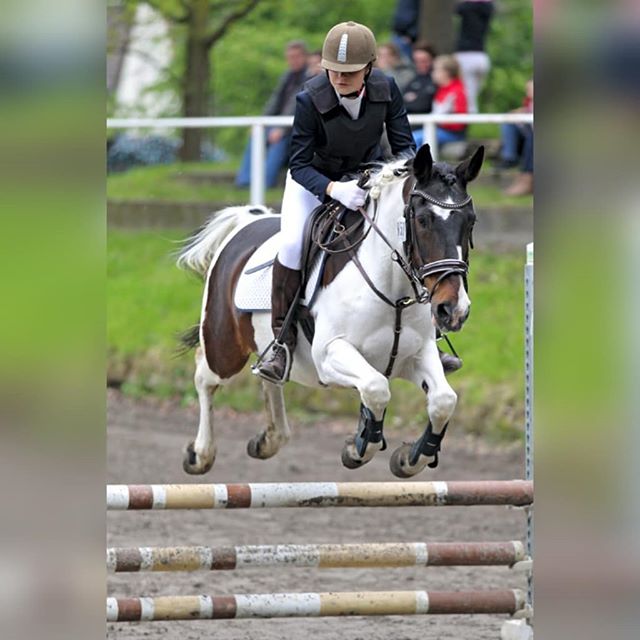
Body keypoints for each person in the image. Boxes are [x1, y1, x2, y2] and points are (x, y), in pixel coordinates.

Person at [255, 21, 416, 384]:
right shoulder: (309, 97)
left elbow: (403, 144)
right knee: (294, 244)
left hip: (366, 176)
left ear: (370, 69)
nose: (340, 78)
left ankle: (428, 336)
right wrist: (333, 190)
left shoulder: (387, 88)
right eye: (334, 70)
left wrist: (392, 178)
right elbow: (298, 164)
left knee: (406, 234)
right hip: (313, 180)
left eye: (350, 71)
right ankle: (281, 342)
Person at [235, 40, 309, 189]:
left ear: (304, 57)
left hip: (295, 128)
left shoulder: (309, 77)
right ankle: (244, 182)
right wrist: (261, 123)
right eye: (289, 57)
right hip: (278, 125)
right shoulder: (287, 76)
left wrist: (281, 129)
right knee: (256, 135)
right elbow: (274, 102)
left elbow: (296, 106)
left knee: (278, 140)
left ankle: (265, 183)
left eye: (296, 56)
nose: (292, 60)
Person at [453, 0, 494, 114]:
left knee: (467, 97)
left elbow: (458, 9)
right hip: (481, 57)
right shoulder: (488, 7)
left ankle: (465, 122)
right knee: (473, 94)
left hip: (465, 55)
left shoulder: (467, 7)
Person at [499, 79, 533, 196]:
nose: (528, 91)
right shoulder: (529, 101)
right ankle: (510, 158)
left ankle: (527, 178)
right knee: (510, 121)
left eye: (530, 89)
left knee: (532, 139)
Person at [402, 42, 438, 148]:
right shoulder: (413, 79)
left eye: (424, 61)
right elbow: (400, 102)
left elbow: (425, 104)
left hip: (428, 126)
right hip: (410, 124)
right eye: (417, 61)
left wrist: (415, 100)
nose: (420, 64)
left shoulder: (436, 79)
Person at [431, 54, 468, 149]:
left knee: (417, 138)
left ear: (446, 72)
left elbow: (460, 121)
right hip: (439, 129)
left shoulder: (457, 91)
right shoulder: (441, 90)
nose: (433, 73)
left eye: (436, 70)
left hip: (452, 133)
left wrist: (441, 121)